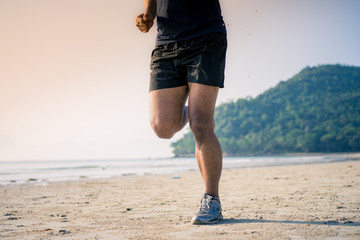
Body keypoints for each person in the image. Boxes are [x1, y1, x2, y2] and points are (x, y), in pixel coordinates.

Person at [136, 0, 227, 225]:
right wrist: (149, 13)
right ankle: (191, 111)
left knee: (200, 125)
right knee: (162, 127)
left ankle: (212, 200)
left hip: (206, 37)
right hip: (166, 44)